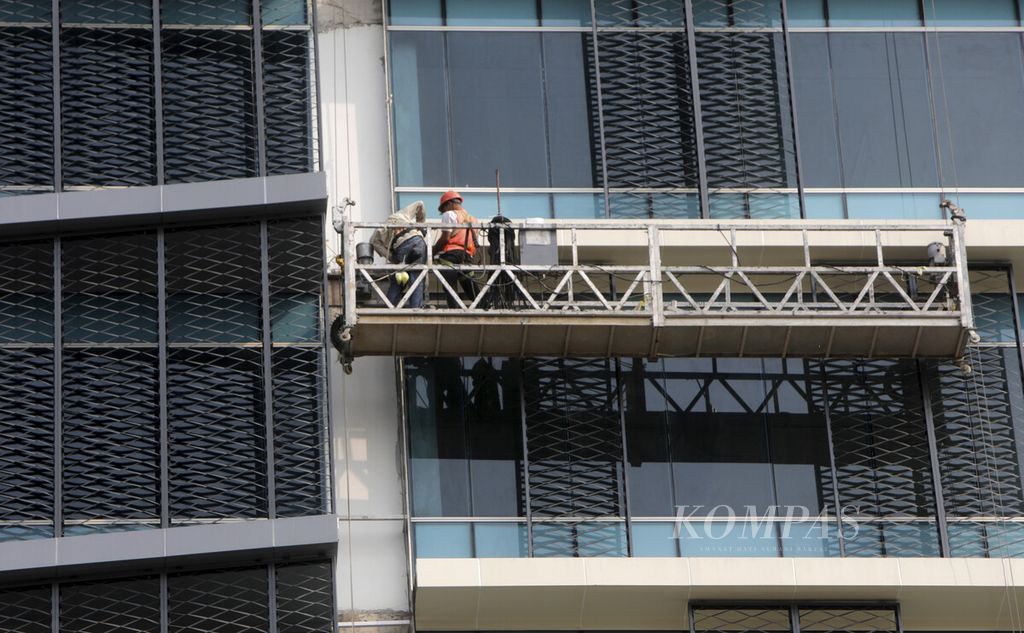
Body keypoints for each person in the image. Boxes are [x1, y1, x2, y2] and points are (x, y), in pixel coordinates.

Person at [370, 200, 427, 308]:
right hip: (418, 242)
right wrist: (421, 226)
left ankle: (390, 307)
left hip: (401, 246)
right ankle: (416, 308)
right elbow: (420, 204)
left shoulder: (381, 228)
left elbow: (374, 242)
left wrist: (390, 257)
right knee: (416, 278)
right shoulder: (402, 214)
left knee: (398, 280)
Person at [434, 190, 480, 308]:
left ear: (449, 204)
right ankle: (484, 309)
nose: (444, 212)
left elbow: (445, 239)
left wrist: (432, 252)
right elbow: (474, 243)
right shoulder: (474, 220)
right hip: (467, 257)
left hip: (451, 256)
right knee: (472, 290)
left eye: (443, 209)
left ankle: (453, 312)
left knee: (450, 288)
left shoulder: (449, 214)